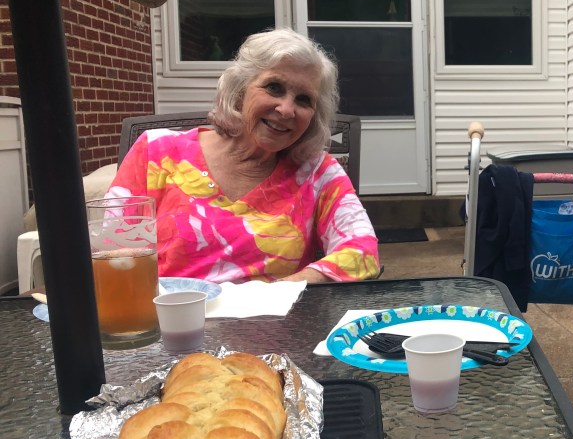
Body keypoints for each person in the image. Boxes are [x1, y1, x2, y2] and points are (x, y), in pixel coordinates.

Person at [108, 28, 380, 284]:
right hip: (173, 315)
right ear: (240, 91)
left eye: (303, 100)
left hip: (275, 316)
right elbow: (109, 249)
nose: (286, 109)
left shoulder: (317, 172)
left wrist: (279, 291)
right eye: (274, 87)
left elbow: (362, 250)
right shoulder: (157, 151)